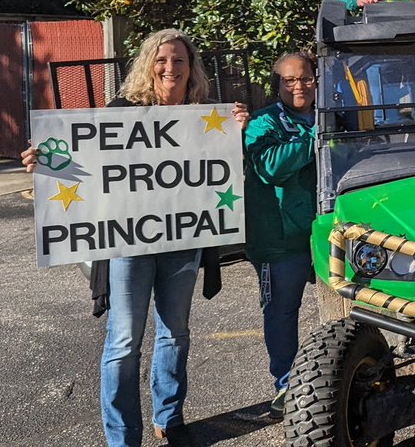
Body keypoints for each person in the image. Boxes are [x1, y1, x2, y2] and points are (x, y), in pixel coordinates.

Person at [22, 29, 248, 446]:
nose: (170, 68)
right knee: (124, 341)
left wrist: (237, 133)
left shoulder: (206, 116)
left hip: (183, 241)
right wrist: (45, 161)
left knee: (175, 333)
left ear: (191, 67)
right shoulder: (121, 112)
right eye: (162, 60)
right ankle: (123, 436)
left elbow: (225, 170)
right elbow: (87, 163)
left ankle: (170, 416)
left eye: (179, 61)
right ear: (148, 65)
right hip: (129, 246)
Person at [242, 51, 318, 419]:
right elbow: (270, 166)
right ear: (277, 85)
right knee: (282, 312)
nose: (299, 85)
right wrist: (318, 138)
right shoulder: (262, 122)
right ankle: (287, 383)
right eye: (289, 80)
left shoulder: (337, 114)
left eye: (305, 78)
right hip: (280, 238)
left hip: (332, 232)